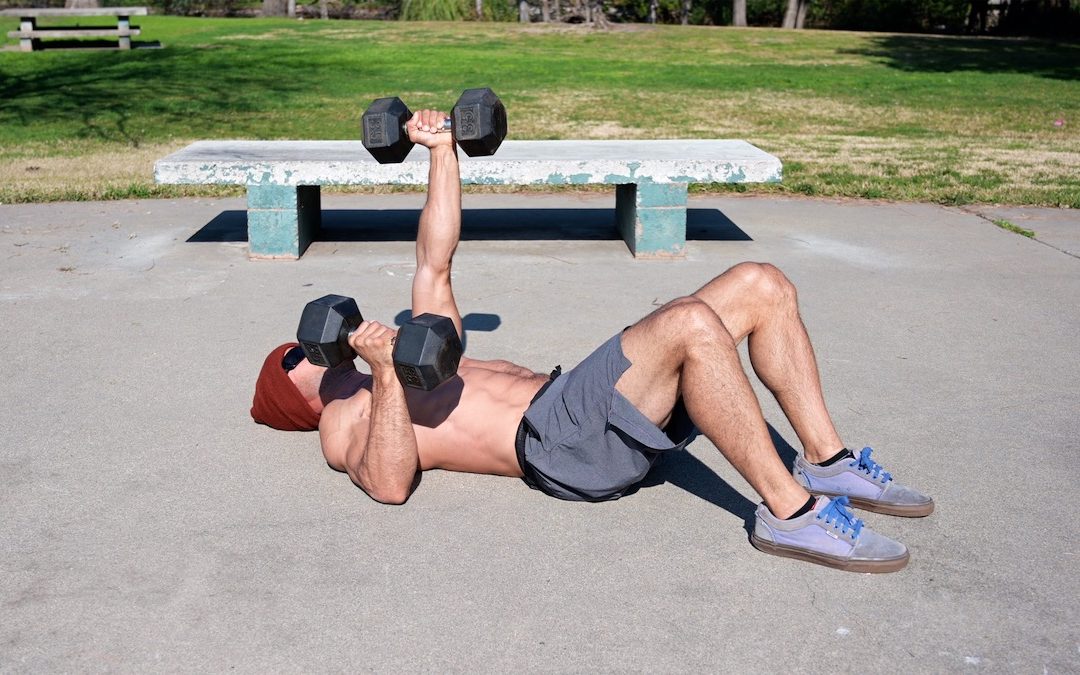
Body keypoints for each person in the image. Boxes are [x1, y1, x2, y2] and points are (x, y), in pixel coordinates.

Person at [251, 109, 933, 574]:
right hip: (557, 447)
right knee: (690, 320)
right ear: (296, 392)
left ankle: (826, 459)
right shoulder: (346, 419)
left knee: (761, 282)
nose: (315, 347)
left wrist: (441, 153)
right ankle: (791, 512)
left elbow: (435, 259)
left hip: (575, 403)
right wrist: (384, 375)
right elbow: (390, 483)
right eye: (298, 356)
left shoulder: (421, 347)